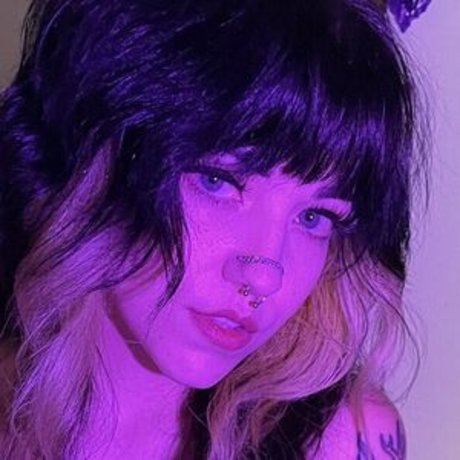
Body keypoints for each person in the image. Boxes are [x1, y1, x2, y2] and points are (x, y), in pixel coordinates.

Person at [0, 0, 429, 458]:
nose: (265, 274)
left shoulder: (341, 440)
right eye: (218, 181)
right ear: (93, 153)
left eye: (314, 217)